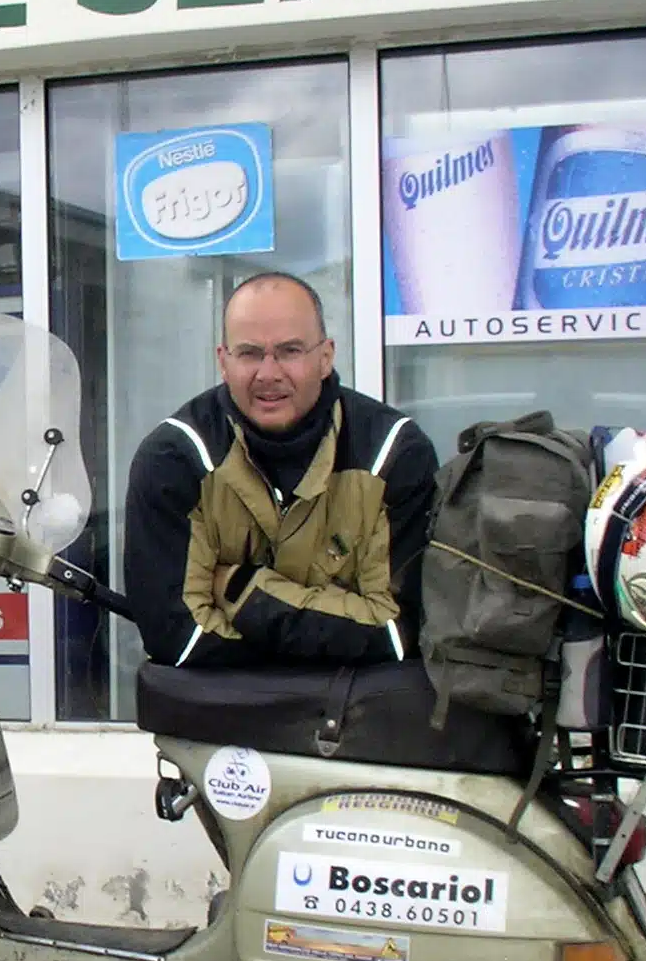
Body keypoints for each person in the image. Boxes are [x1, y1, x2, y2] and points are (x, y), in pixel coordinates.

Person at [122, 271, 439, 670]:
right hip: (225, 709)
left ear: (326, 357)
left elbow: (398, 632)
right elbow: (178, 639)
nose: (268, 374)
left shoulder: (394, 454)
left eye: (290, 351)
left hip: (355, 707)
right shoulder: (175, 459)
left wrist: (244, 591)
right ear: (223, 361)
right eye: (249, 353)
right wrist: (336, 634)